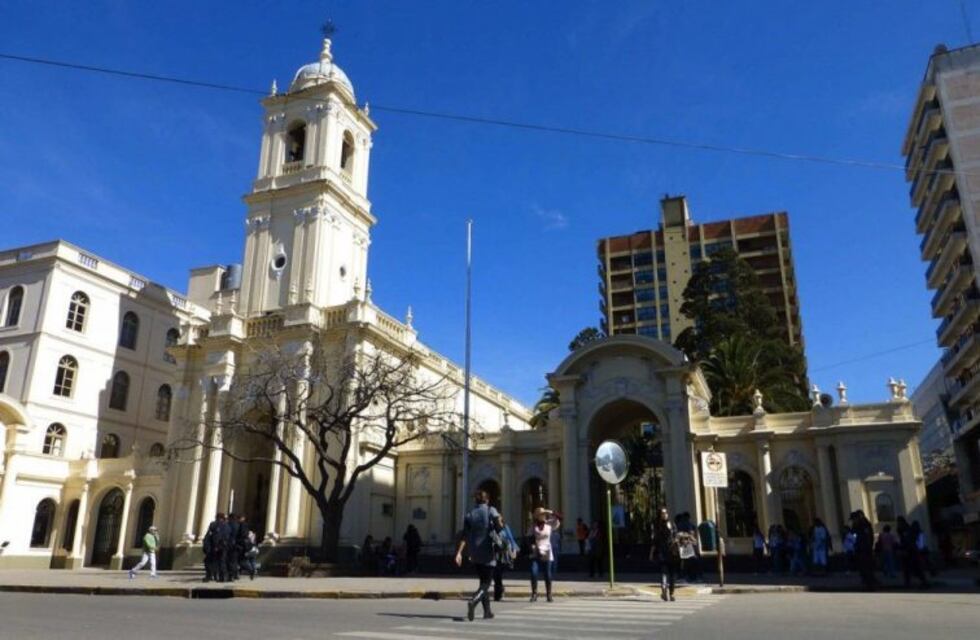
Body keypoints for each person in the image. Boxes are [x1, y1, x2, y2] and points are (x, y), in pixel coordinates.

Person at [455, 490, 501, 622]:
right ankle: (474, 600)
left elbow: (464, 535)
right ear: (487, 500)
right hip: (488, 550)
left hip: (474, 551)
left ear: (476, 500)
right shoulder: (491, 510)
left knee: (482, 580)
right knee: (487, 583)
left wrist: (459, 552)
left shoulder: (470, 514)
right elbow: (499, 528)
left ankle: (487, 612)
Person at [651, 507, 684, 601]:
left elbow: (676, 535)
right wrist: (652, 552)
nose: (665, 514)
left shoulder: (668, 524)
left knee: (670, 573)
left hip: (671, 552)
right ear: (660, 515)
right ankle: (666, 591)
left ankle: (670, 592)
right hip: (664, 552)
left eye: (666, 513)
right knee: (665, 572)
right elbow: (655, 540)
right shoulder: (659, 525)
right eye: (663, 513)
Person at [529, 507, 561, 602]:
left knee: (547, 574)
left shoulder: (550, 523)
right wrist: (532, 545)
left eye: (543, 514)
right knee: (533, 572)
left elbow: (560, 517)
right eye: (540, 514)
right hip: (536, 552)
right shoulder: (533, 526)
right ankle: (534, 594)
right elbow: (529, 537)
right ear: (537, 516)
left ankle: (549, 594)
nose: (542, 516)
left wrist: (549, 511)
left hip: (547, 551)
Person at [492, 516, 519, 601]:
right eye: (496, 520)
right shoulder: (492, 529)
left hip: (504, 554)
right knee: (496, 574)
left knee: (498, 573)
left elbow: (511, 539)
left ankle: (499, 592)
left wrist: (514, 550)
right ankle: (498, 593)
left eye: (499, 519)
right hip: (494, 554)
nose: (498, 521)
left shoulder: (505, 527)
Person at [899, 518, 929, 588]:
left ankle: (911, 582)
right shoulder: (917, 532)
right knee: (917, 569)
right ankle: (923, 582)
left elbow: (909, 543)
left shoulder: (909, 533)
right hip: (915, 552)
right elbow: (921, 544)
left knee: (911, 569)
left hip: (911, 553)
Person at [851, 511, 877, 591]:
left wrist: (868, 547)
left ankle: (870, 584)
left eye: (854, 519)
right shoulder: (857, 525)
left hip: (865, 549)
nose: (853, 521)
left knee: (866, 567)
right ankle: (867, 583)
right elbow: (854, 536)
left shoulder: (864, 525)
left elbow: (868, 537)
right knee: (863, 567)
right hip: (860, 548)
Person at [202, 513, 230, 583]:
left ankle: (209, 576)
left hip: (214, 547)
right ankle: (222, 577)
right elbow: (227, 537)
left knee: (208, 561)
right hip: (223, 547)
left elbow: (210, 536)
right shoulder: (227, 526)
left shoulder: (214, 524)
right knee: (221, 561)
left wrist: (211, 546)